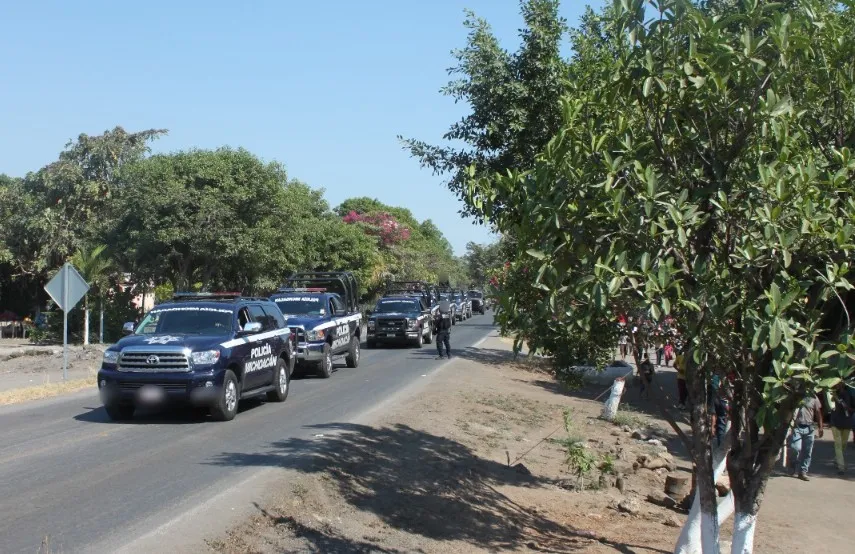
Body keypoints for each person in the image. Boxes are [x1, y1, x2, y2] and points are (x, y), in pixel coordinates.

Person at [788, 393, 824, 481]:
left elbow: (818, 412)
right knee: (795, 448)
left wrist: (821, 427)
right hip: (797, 427)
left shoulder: (814, 397)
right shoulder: (796, 394)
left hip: (809, 427)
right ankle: (792, 463)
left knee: (808, 451)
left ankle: (803, 472)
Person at [829, 381, 854, 476]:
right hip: (835, 422)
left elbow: (851, 408)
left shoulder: (850, 394)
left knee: (843, 444)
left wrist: (847, 408)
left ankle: (836, 459)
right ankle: (841, 467)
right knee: (838, 445)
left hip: (847, 422)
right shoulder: (832, 394)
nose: (838, 385)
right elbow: (830, 405)